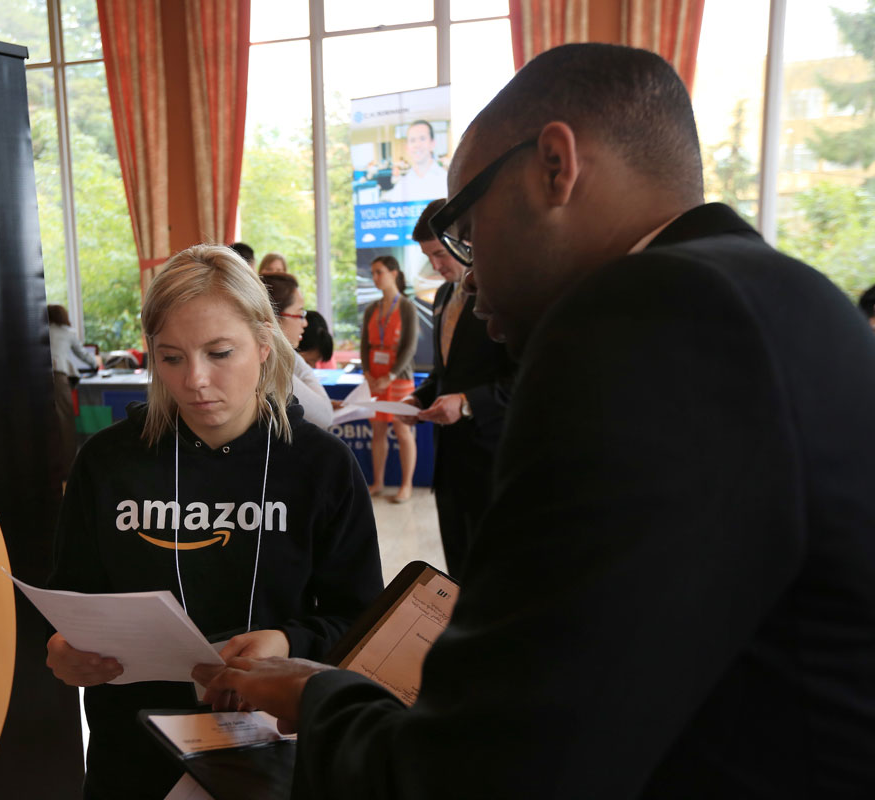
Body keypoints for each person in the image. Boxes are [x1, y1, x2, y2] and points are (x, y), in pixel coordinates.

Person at [194, 43, 875, 798]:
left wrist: (319, 699)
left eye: (467, 226)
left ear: (556, 164)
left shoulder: (646, 318)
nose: (472, 275)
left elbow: (490, 767)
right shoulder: (791, 294)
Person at [45, 244, 383, 800]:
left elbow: (360, 622)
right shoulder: (108, 463)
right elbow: (70, 596)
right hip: (133, 751)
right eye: (171, 357)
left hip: (275, 751)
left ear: (264, 346)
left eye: (220, 352)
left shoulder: (320, 466)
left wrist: (286, 640)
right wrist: (63, 648)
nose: (195, 381)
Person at [396, 199, 512, 572]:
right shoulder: (444, 295)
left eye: (438, 254)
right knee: (457, 562)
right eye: (428, 257)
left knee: (491, 566)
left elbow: (524, 377)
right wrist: (419, 397)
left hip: (491, 454)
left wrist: (466, 403)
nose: (436, 265)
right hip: (449, 459)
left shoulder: (503, 292)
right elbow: (446, 372)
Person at [360, 255, 418, 502]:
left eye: (379, 272)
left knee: (403, 431)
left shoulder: (407, 306)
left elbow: (409, 346)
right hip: (375, 378)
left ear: (394, 273)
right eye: (373, 273)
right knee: (378, 431)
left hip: (398, 378)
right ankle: (378, 482)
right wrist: (367, 372)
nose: (375, 278)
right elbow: (364, 344)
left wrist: (391, 375)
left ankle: (406, 485)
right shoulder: (372, 308)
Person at [261, 272, 333, 429]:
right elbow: (325, 416)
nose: (305, 323)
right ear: (276, 319)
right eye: (300, 314)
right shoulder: (270, 368)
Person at [47, 304, 99, 476]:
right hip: (57, 378)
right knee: (65, 424)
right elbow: (83, 355)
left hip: (34, 379)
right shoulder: (67, 333)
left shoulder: (40, 330)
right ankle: (68, 471)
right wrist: (95, 365)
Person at [381, 119, 449, 202]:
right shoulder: (402, 186)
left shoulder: (447, 181)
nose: (417, 145)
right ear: (407, 147)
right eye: (412, 140)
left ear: (432, 143)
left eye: (422, 138)